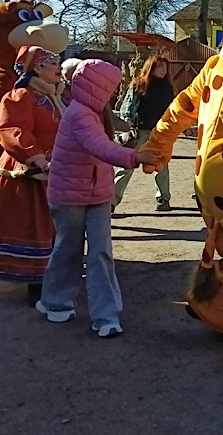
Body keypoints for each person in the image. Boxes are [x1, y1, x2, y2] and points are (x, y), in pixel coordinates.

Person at [38, 60, 159, 336]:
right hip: (69, 195)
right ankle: (55, 301)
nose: (115, 92)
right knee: (68, 249)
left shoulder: (94, 112)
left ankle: (106, 316)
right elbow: (97, 144)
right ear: (99, 87)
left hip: (97, 193)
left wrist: (127, 146)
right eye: (111, 87)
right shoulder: (80, 114)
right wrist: (134, 156)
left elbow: (103, 146)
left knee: (101, 252)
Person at [0, 46, 67, 303]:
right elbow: (13, 129)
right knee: (33, 227)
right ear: (38, 67)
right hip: (29, 172)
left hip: (55, 172)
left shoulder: (55, 96)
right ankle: (36, 284)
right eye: (54, 62)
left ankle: (50, 279)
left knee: (54, 227)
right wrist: (36, 159)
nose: (59, 67)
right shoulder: (21, 96)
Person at [113, 55, 176, 213]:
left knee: (161, 164)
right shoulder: (139, 84)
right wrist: (128, 123)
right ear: (151, 68)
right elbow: (127, 106)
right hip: (139, 131)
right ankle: (111, 201)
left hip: (160, 132)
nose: (163, 70)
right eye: (159, 67)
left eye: (164, 67)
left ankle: (163, 199)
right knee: (127, 164)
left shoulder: (168, 87)